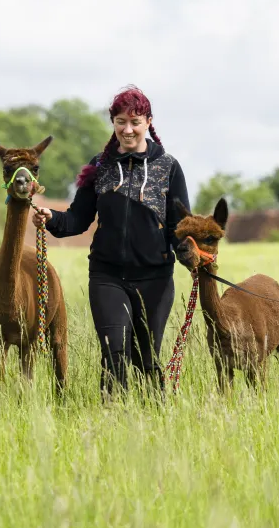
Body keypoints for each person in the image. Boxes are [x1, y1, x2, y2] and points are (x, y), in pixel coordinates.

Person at [32, 85, 191, 399]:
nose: (127, 129)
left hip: (155, 280)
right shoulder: (100, 166)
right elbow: (78, 219)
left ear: (148, 122)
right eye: (120, 122)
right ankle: (111, 418)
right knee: (114, 353)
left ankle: (155, 418)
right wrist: (51, 217)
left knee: (147, 361)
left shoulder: (168, 167)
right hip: (107, 277)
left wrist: (193, 258)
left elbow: (179, 227)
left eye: (135, 122)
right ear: (113, 123)